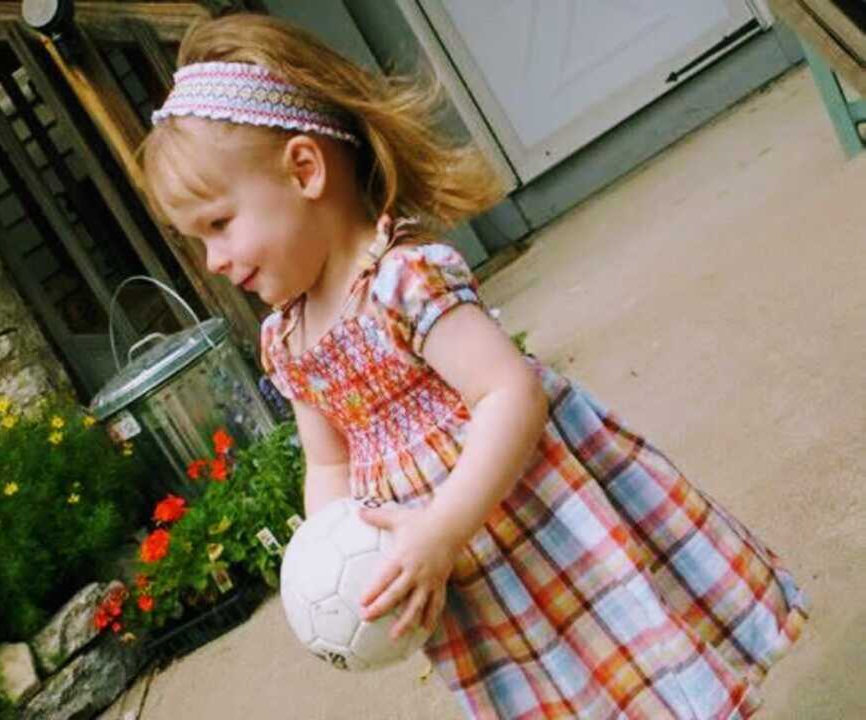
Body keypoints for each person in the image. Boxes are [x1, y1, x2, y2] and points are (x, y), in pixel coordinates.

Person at [141, 12, 809, 719]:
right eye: (197, 241)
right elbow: (327, 464)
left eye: (218, 224)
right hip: (461, 578)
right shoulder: (288, 339)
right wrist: (335, 553)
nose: (213, 262)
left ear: (305, 170)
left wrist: (443, 527)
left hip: (537, 521)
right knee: (549, 690)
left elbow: (507, 392)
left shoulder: (402, 280)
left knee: (626, 656)